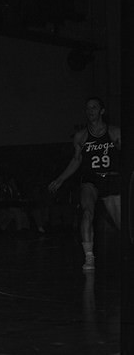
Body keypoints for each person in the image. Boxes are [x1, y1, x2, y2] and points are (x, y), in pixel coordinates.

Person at [48, 97, 121, 271]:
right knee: (87, 213)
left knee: (122, 223)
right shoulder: (81, 136)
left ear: (102, 111)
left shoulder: (115, 132)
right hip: (91, 180)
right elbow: (76, 160)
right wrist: (60, 179)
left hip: (111, 179)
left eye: (94, 107)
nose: (90, 111)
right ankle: (89, 257)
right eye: (88, 108)